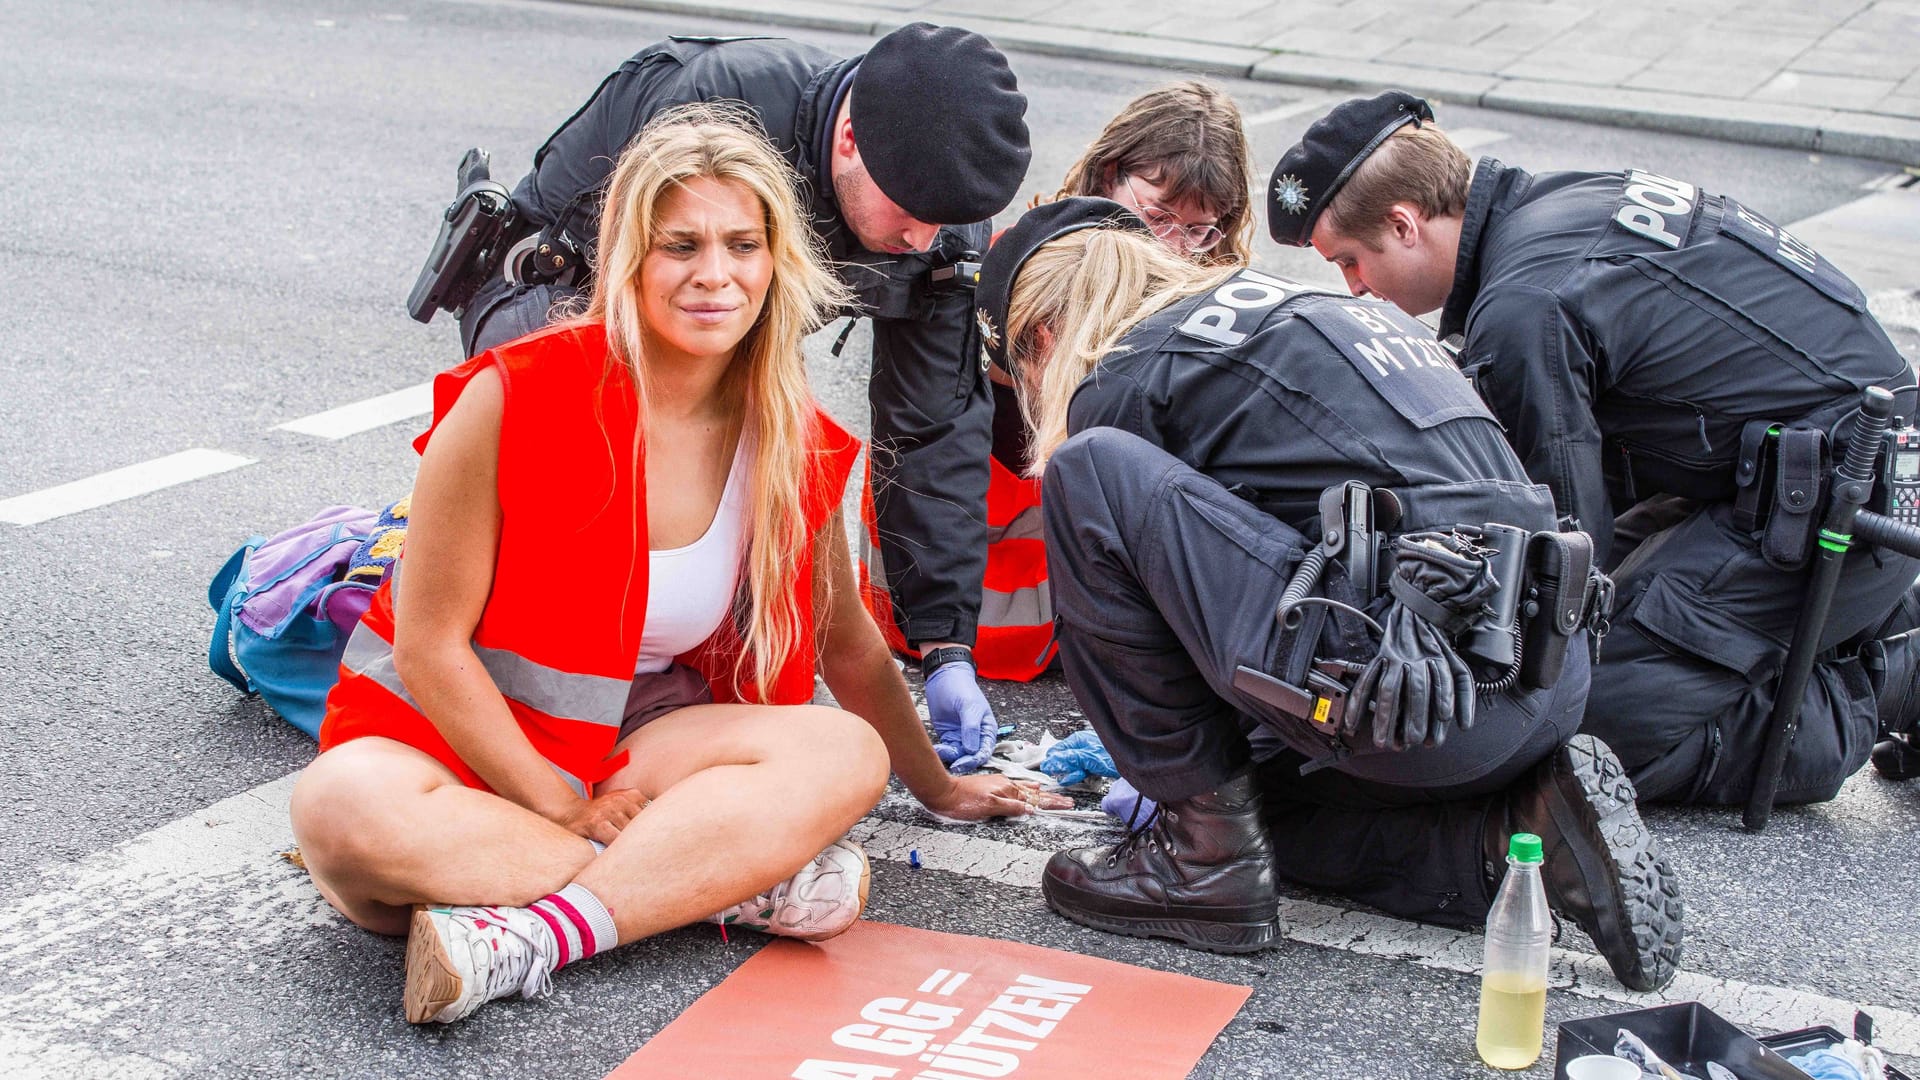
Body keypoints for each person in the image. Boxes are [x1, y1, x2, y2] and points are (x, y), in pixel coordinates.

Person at [294, 108, 1063, 1026]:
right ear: (630, 258)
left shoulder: (788, 441)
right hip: (461, 739)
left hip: (631, 752)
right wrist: (561, 807)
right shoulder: (513, 396)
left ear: (777, 261)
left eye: (743, 243)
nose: (715, 274)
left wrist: (939, 787)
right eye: (680, 245)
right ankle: (713, 887)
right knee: (340, 812)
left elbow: (846, 646)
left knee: (843, 752)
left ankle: (538, 931)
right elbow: (428, 648)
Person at [972, 197, 1684, 992]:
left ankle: (1201, 860)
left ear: (1041, 336)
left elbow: (1161, 600)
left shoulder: (1126, 374)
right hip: (1543, 672)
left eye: (1022, 380)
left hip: (1419, 688)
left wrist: (1165, 763)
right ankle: (1522, 838)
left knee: (1086, 472)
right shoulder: (1293, 311)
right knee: (1266, 813)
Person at [1271, 92, 1920, 806]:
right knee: (1587, 658)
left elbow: (1563, 556)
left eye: (1352, 262)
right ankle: (1852, 627)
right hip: (1795, 469)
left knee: (1558, 723)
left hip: (1838, 507)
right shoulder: (1561, 204)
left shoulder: (1525, 306)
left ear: (1404, 223)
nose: (1355, 289)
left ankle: (1881, 683)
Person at [438, 23, 1031, 779]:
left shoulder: (938, 201)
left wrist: (948, 645)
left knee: (756, 466)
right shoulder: (718, 114)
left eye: (946, 223)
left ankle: (668, 679)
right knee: (596, 530)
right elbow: (635, 303)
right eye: (911, 216)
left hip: (711, 338)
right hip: (561, 294)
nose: (925, 239)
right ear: (849, 139)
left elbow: (934, 425)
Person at [861, 81, 1260, 690]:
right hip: (971, 533)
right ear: (1107, 175)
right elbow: (942, 440)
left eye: (1200, 230)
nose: (1171, 246)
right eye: (1156, 215)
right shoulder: (1018, 266)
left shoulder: (1207, 291)